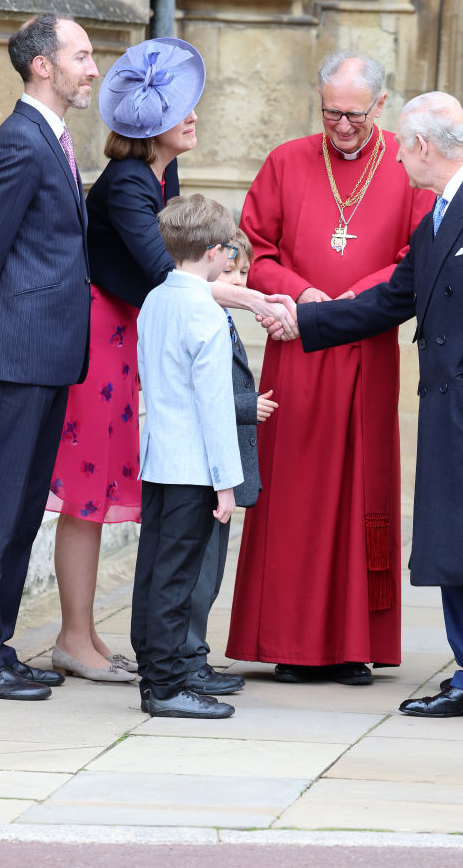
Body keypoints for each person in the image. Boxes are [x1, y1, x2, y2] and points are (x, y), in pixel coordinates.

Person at [292, 91, 463, 731]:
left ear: (421, 146)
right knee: (458, 543)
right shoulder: (442, 211)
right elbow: (394, 298)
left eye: (400, 146)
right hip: (452, 408)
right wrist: (304, 320)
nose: (395, 157)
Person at [45, 38, 296, 682]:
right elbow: (171, 275)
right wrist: (259, 299)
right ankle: (75, 637)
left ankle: (88, 638)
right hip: (101, 336)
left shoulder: (162, 173)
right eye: (181, 107)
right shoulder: (129, 183)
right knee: (89, 490)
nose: (192, 115)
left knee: (107, 487)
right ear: (149, 121)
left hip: (133, 333)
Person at [225, 52, 434, 684]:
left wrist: (357, 298)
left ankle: (353, 644)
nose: (341, 125)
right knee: (294, 495)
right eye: (330, 112)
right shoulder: (287, 160)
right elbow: (254, 249)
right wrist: (302, 292)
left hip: (367, 349)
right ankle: (291, 641)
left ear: (380, 105)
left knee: (361, 493)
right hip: (296, 349)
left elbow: (416, 255)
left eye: (353, 114)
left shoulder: (408, 163)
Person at [0, 13, 98, 701]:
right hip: (18, 351)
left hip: (50, 353)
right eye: (82, 56)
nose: (92, 69)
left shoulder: (52, 138)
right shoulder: (19, 140)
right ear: (43, 65)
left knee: (24, 508)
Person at [132, 194, 243, 718]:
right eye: (231, 252)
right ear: (214, 251)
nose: (233, 261)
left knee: (153, 571)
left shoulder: (156, 300)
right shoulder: (206, 311)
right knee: (177, 578)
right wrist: (226, 481)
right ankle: (170, 686)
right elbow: (215, 405)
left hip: (157, 459)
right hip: (194, 466)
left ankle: (153, 678)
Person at [181, 229, 278, 696]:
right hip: (202, 469)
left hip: (218, 464)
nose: (238, 279)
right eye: (232, 269)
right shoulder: (201, 315)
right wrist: (247, 407)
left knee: (211, 569)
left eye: (245, 272)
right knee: (197, 572)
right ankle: (186, 658)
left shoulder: (219, 313)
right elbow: (199, 392)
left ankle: (192, 654)